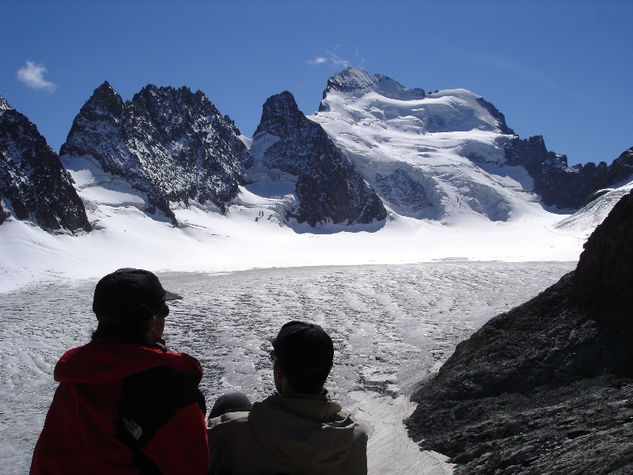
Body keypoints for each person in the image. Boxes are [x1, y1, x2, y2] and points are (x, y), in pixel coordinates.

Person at [30, 268, 209, 474]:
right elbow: (194, 466)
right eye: (164, 310)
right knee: (232, 409)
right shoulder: (167, 389)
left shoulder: (76, 378)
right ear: (151, 318)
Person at [207, 320, 368, 474]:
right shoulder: (354, 438)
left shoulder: (232, 431)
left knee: (233, 401)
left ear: (279, 370)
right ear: (330, 368)